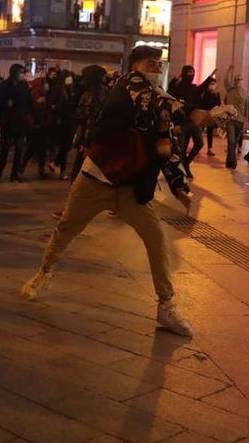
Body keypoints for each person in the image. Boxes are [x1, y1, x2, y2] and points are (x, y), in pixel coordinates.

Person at [20, 45, 195, 337]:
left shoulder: (158, 102)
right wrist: (183, 109)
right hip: (95, 179)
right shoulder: (126, 88)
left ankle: (166, 305)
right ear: (135, 67)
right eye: (151, 63)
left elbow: (165, 144)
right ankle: (43, 273)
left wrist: (178, 185)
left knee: (156, 237)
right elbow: (147, 101)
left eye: (159, 64)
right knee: (66, 228)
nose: (157, 68)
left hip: (128, 187)